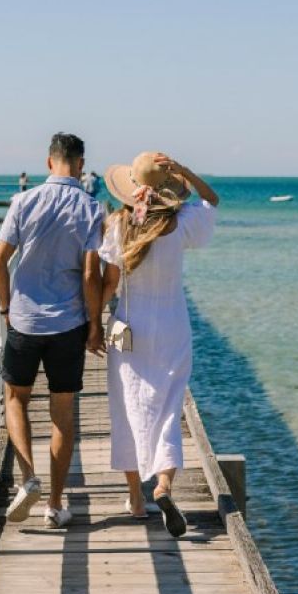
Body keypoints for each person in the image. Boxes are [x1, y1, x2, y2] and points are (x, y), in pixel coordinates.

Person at [98, 151, 218, 537]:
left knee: (128, 405)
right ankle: (164, 486)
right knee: (168, 407)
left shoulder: (119, 225)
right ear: (168, 189)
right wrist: (184, 170)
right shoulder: (179, 222)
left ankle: (136, 499)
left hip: (129, 325)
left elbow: (109, 282)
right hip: (171, 325)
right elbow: (211, 200)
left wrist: (93, 325)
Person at [0, 133, 105, 529]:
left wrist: (6, 308)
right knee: (63, 415)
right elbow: (91, 274)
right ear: (81, 164)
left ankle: (28, 479)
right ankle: (54, 505)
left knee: (16, 398)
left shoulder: (23, 201)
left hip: (24, 319)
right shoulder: (92, 208)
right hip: (69, 323)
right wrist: (96, 325)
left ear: (49, 162)